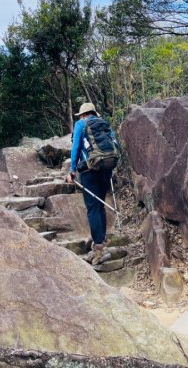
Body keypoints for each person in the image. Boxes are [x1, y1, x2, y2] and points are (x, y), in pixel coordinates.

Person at [67, 102, 118, 265]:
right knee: (100, 205)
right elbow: (115, 145)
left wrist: (72, 170)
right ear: (94, 112)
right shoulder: (104, 124)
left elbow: (75, 147)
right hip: (106, 168)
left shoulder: (81, 124)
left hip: (89, 170)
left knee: (93, 207)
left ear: (83, 114)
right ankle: (101, 241)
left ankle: (99, 248)